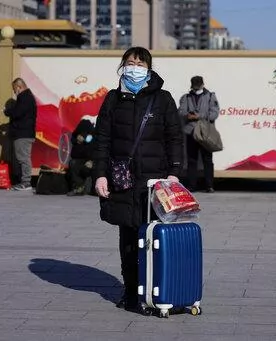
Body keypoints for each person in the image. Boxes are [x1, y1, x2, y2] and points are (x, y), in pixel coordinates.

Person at [93, 47, 183, 313]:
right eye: (130, 62)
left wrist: (175, 171)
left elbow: (175, 138)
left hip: (156, 183)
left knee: (155, 238)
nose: (134, 67)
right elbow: (102, 141)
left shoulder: (163, 99)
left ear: (149, 67)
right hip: (123, 180)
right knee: (129, 239)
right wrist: (99, 174)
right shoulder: (112, 99)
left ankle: (156, 291)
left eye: (140, 62)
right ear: (122, 65)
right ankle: (131, 291)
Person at [178, 76, 220, 193]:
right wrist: (187, 115)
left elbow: (214, 113)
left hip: (206, 132)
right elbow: (180, 111)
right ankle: (192, 186)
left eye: (198, 85)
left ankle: (209, 185)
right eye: (194, 85)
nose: (196, 87)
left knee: (207, 159)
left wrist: (199, 116)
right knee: (191, 160)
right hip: (190, 132)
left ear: (202, 84)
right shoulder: (186, 97)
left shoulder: (211, 96)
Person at [4, 78, 37, 191]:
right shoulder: (26, 97)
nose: (14, 92)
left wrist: (7, 111)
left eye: (14, 89)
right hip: (24, 133)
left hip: (23, 133)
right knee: (22, 157)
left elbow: (18, 112)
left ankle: (26, 182)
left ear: (19, 87)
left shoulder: (25, 97)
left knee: (24, 158)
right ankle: (24, 181)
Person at [67, 119, 95, 196]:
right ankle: (79, 187)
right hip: (80, 161)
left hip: (91, 161)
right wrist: (76, 141)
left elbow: (97, 151)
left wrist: (92, 161)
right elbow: (74, 154)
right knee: (73, 163)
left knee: (89, 168)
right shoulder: (76, 137)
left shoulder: (93, 137)